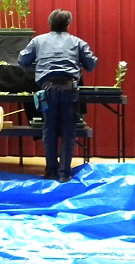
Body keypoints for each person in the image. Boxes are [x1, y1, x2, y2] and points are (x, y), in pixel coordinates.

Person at [17, 9, 98, 183]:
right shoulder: (78, 42)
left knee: (49, 130)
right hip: (70, 89)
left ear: (49, 24)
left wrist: (38, 66)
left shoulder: (37, 41)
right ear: (68, 25)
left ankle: (51, 172)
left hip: (47, 89)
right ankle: (64, 174)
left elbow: (22, 61)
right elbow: (91, 64)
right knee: (68, 132)